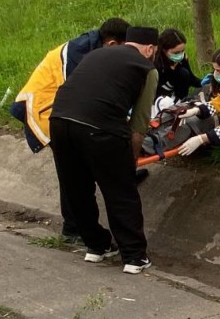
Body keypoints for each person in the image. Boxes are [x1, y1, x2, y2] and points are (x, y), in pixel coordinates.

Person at [48, 26, 159, 275]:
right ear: (150, 49)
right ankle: (134, 257)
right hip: (101, 129)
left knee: (77, 188)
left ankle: (96, 246)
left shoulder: (94, 54)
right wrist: (130, 161)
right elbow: (139, 124)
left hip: (59, 123)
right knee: (120, 191)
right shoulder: (147, 69)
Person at [10, 18, 130, 242]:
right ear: (113, 44)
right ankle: (73, 228)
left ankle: (76, 225)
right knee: (74, 171)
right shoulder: (76, 53)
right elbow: (77, 92)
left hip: (61, 108)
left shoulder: (96, 49)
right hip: (45, 110)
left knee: (78, 167)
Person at [153, 28, 202, 102]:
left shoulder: (182, 59)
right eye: (176, 53)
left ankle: (182, 101)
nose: (180, 55)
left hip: (177, 95)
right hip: (159, 97)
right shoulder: (156, 63)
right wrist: (171, 71)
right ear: (164, 50)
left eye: (182, 51)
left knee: (184, 73)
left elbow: (191, 78)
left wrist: (204, 82)